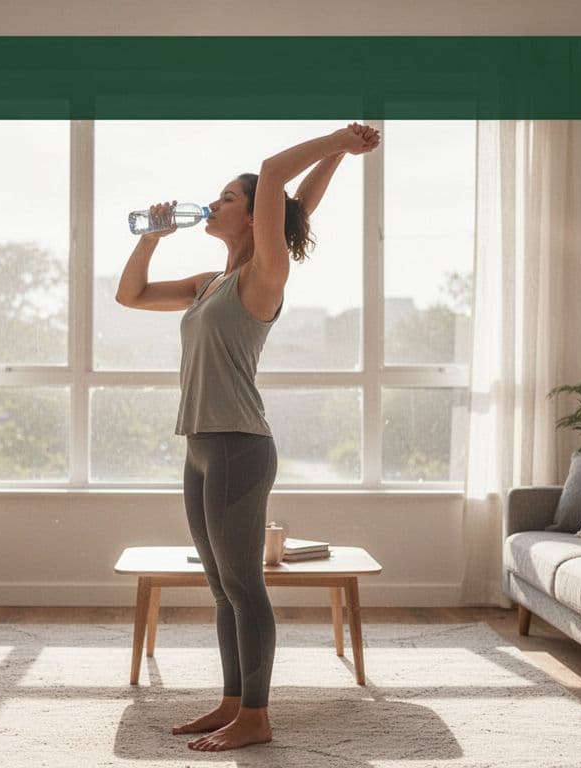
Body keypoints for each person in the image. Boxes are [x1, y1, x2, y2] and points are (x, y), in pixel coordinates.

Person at [115, 122, 381, 752]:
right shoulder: (209, 281)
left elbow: (273, 175)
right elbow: (129, 295)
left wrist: (339, 141)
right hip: (201, 447)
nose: (215, 204)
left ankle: (258, 716)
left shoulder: (264, 274)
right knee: (221, 584)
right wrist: (151, 238)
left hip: (239, 445)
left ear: (253, 215)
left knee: (243, 584)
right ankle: (234, 701)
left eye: (228, 198)